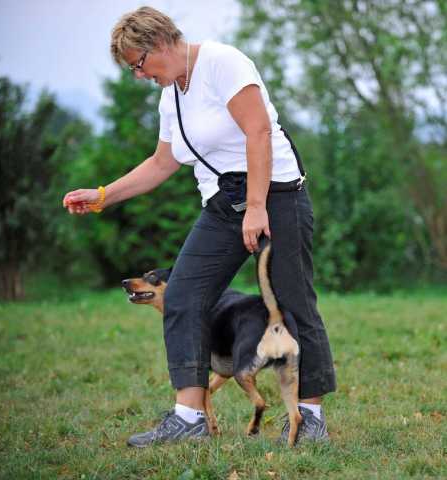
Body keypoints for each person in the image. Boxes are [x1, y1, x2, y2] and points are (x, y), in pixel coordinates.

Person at [63, 6, 336, 447]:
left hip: (276, 196)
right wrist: (102, 196)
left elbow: (259, 132)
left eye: (138, 63)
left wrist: (256, 206)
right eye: (133, 69)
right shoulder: (171, 95)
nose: (139, 75)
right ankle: (189, 418)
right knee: (183, 295)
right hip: (222, 206)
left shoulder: (223, 63)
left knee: (292, 300)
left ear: (159, 43)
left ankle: (309, 417)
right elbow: (162, 163)